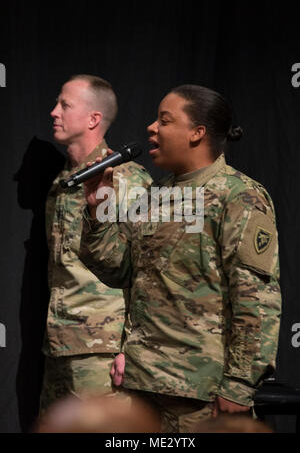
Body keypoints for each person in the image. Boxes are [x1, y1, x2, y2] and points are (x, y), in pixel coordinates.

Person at [80, 84, 282, 433]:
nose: (151, 128)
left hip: (200, 395)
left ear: (197, 132)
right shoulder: (155, 194)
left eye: (164, 120)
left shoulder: (240, 197)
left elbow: (257, 303)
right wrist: (98, 209)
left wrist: (239, 385)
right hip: (142, 387)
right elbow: (117, 269)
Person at [40, 74, 152, 411]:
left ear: (94, 118)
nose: (53, 112)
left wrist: (131, 348)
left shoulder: (127, 179)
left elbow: (145, 269)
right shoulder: (62, 182)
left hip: (102, 352)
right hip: (59, 345)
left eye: (65, 104)